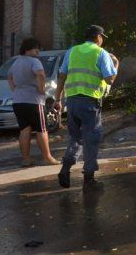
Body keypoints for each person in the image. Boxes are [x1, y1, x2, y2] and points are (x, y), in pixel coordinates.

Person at [55, 25, 119, 192]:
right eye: (102, 37)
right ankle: (89, 180)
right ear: (97, 37)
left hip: (73, 102)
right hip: (90, 103)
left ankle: (65, 169)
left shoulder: (72, 51)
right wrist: (116, 65)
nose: (102, 40)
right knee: (91, 140)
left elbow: (62, 75)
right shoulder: (101, 53)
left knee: (76, 138)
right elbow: (110, 79)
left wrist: (58, 99)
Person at [8, 38, 60, 167]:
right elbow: (41, 75)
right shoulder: (35, 61)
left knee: (24, 130)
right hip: (33, 100)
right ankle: (47, 157)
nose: (38, 50)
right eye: (35, 48)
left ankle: (26, 159)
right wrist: (41, 89)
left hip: (18, 100)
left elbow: (9, 76)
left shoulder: (16, 62)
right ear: (27, 49)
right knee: (41, 129)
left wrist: (14, 89)